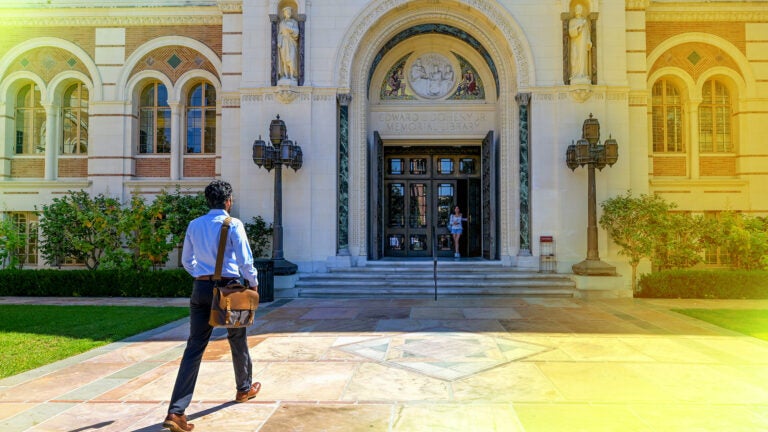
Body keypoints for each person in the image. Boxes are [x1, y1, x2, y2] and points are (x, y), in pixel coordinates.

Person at [163, 180, 261, 432]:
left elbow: (186, 260)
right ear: (228, 201)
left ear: (208, 201)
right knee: (237, 338)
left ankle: (176, 411)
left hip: (201, 289)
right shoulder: (233, 224)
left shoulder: (194, 225)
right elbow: (245, 259)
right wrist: (253, 283)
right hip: (228, 290)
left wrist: (203, 276)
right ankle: (244, 389)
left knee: (194, 347)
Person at [568, 4, 592, 83]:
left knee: (583, 57)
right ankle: (576, 74)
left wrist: (588, 41)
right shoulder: (572, 21)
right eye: (577, 8)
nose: (579, 10)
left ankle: (583, 74)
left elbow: (588, 33)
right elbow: (571, 32)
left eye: (580, 8)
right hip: (575, 43)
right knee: (575, 57)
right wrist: (578, 27)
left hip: (583, 42)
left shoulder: (585, 21)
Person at [278, 6, 299, 82]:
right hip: (284, 42)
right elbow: (279, 34)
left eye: (289, 12)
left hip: (292, 42)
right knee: (284, 60)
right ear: (284, 13)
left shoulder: (294, 22)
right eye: (287, 12)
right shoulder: (282, 23)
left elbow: (297, 32)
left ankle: (292, 76)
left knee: (292, 59)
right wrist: (279, 42)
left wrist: (289, 29)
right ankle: (286, 75)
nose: (288, 13)